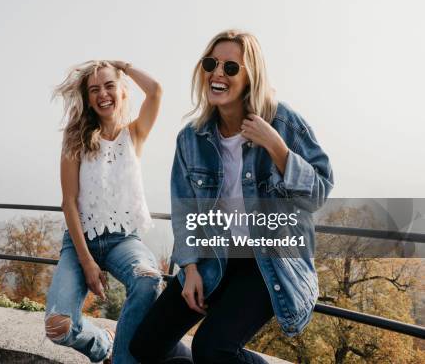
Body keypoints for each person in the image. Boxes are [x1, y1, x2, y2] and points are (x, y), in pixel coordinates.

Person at [130, 30, 334, 363]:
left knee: (211, 348)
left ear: (250, 77)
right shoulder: (191, 139)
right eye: (211, 63)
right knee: (146, 345)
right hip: (216, 257)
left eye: (231, 67)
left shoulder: (282, 121)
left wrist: (277, 148)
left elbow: (320, 192)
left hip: (269, 262)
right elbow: (185, 212)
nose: (218, 73)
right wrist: (191, 267)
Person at [45, 60, 164, 364]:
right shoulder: (75, 139)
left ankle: (122, 360)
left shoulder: (134, 134)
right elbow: (69, 201)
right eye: (94, 89)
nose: (103, 94)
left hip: (124, 240)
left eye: (109, 86)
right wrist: (86, 262)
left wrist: (123, 66)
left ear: (122, 91)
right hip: (80, 242)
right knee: (58, 327)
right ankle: (102, 344)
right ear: (87, 98)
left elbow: (155, 90)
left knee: (149, 279)